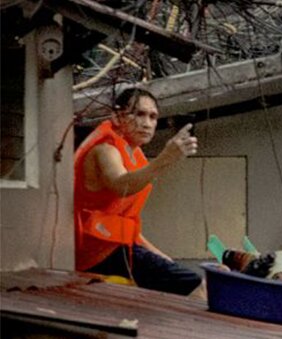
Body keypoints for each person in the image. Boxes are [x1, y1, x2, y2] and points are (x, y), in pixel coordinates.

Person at [74, 87, 202, 295]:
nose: (147, 123)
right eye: (139, 114)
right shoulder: (105, 150)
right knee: (194, 285)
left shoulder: (135, 155)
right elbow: (121, 185)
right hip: (95, 250)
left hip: (114, 247)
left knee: (182, 275)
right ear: (117, 116)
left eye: (153, 117)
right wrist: (165, 158)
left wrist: (162, 258)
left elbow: (128, 225)